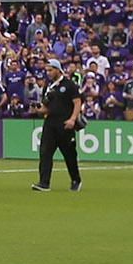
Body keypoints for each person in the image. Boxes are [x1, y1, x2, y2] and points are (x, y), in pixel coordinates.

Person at [33, 57, 83, 192]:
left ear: (58, 70)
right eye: (47, 70)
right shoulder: (48, 87)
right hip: (50, 123)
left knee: (69, 154)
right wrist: (38, 110)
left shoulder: (69, 85)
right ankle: (44, 183)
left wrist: (73, 119)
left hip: (65, 123)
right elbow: (46, 107)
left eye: (50, 70)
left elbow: (77, 102)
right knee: (45, 152)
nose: (48, 73)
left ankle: (75, 179)